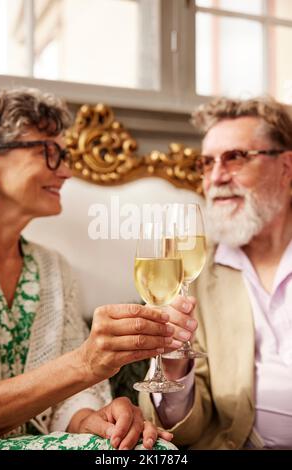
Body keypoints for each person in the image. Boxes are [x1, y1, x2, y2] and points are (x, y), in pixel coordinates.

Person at [0, 88, 187, 451]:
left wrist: (94, 418)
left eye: (63, 155)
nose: (66, 171)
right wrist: (84, 363)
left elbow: (67, 402)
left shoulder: (52, 269)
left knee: (150, 453)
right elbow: (79, 367)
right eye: (48, 152)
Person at [140, 96, 292, 450]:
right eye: (207, 163)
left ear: (286, 167)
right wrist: (175, 362)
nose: (217, 177)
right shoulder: (189, 274)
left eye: (235, 158)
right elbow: (180, 433)